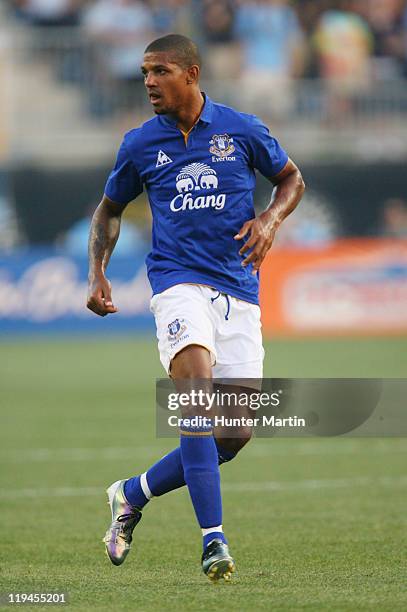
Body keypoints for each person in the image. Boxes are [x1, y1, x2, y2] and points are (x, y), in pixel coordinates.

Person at [87, 34, 305, 582]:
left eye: (159, 71)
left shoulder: (241, 129)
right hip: (176, 284)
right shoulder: (140, 144)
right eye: (144, 73)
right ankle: (214, 541)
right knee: (197, 404)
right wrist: (98, 272)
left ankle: (131, 493)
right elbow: (109, 210)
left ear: (191, 73)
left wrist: (271, 221)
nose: (148, 83)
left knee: (234, 435)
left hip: (238, 288)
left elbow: (291, 180)